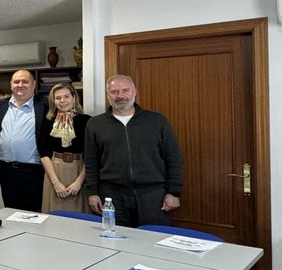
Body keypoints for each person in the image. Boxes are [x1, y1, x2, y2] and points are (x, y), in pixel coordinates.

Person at [85, 74, 183, 227]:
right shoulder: (95, 124)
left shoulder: (157, 121)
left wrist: (174, 192)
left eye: (125, 90)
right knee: (114, 242)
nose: (121, 96)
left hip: (153, 195)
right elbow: (91, 161)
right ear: (108, 95)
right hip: (112, 196)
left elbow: (174, 158)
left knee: (152, 243)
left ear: (134, 91)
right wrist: (92, 192)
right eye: (114, 92)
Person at [0, 69, 47, 212]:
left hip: (33, 171)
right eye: (16, 82)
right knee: (10, 212)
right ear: (11, 85)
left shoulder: (44, 105)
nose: (20, 85)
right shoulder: (1, 105)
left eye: (25, 81)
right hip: (5, 170)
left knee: (34, 213)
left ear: (33, 84)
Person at [38, 82, 90, 214]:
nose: (62, 101)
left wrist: (79, 182)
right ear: (53, 101)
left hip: (80, 172)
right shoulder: (48, 122)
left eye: (66, 96)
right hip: (54, 173)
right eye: (58, 98)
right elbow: (43, 154)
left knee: (79, 218)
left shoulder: (87, 121)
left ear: (74, 98)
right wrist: (56, 182)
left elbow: (92, 155)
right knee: (54, 218)